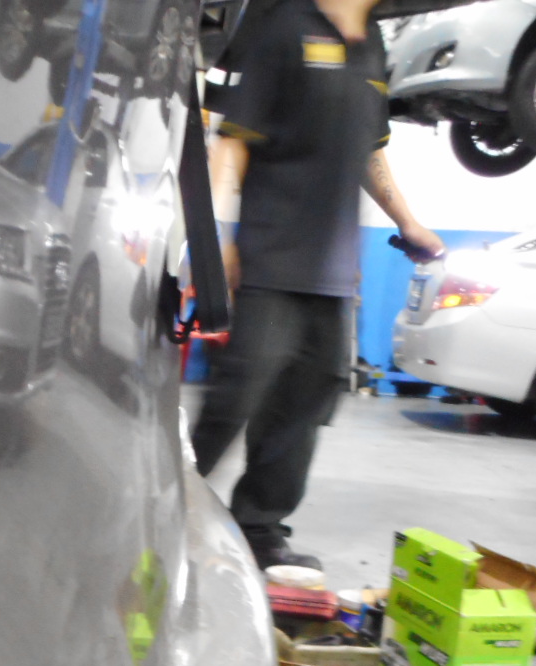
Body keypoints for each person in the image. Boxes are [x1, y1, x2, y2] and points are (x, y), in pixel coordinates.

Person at [195, 0, 443, 571]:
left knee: (302, 409)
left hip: (331, 275)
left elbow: (368, 149)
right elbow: (234, 139)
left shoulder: (372, 42)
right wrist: (219, 234)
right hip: (271, 259)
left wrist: (408, 222)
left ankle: (259, 526)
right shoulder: (283, 26)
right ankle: (160, 505)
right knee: (237, 397)